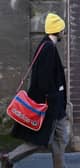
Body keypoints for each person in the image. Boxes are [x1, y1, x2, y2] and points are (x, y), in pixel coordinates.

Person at [0, 13, 68, 168]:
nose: (64, 32)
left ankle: (60, 166)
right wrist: (54, 96)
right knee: (41, 141)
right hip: (50, 105)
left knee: (61, 137)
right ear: (57, 31)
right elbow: (44, 80)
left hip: (55, 105)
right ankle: (9, 158)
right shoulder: (48, 49)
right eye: (62, 30)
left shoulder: (47, 46)